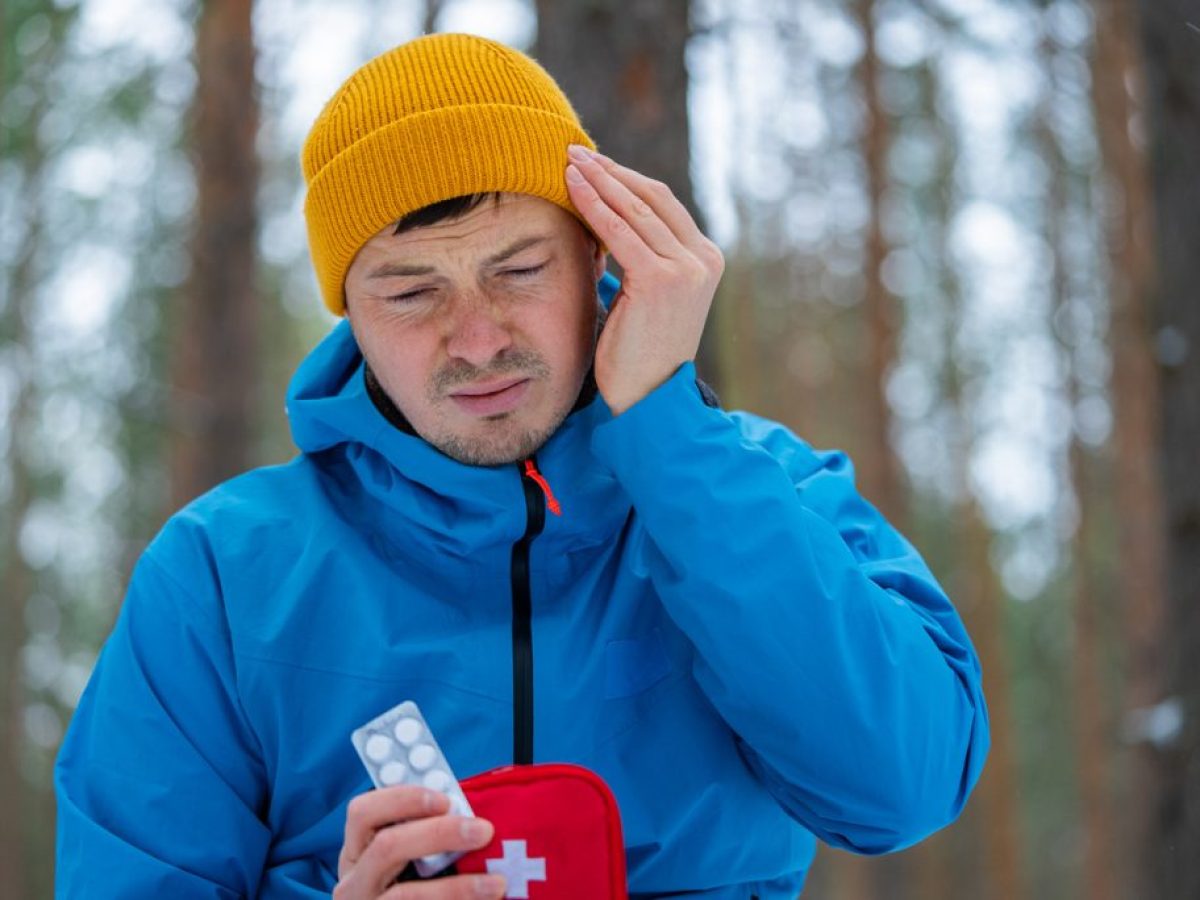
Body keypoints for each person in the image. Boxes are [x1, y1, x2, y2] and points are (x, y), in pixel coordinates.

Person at [54, 32, 989, 900]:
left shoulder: (765, 491)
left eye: (519, 269)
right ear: (351, 313)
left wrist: (668, 434)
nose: (475, 339)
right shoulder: (221, 576)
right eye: (413, 292)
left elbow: (898, 788)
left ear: (599, 253)